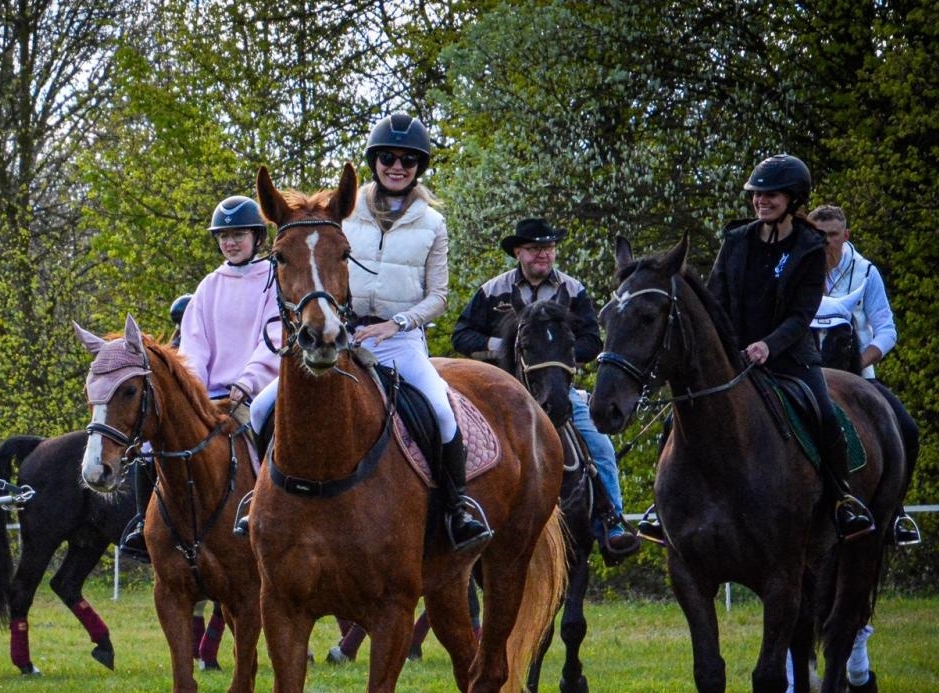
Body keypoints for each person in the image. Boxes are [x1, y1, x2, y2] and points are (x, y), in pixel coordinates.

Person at [249, 111, 490, 550]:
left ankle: (457, 508)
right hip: (341, 334)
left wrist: (394, 324)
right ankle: (257, 500)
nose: (397, 166)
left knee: (440, 410)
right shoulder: (344, 212)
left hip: (399, 339)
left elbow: (437, 297)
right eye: (388, 158)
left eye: (407, 160)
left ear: (418, 168)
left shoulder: (433, 225)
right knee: (261, 410)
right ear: (375, 161)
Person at [637, 154, 873, 544]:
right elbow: (715, 301)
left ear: (793, 199)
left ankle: (841, 498)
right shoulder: (736, 240)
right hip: (735, 358)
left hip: (790, 357)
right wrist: (724, 347)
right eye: (757, 195)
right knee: (675, 418)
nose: (762, 201)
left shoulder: (809, 247)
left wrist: (769, 345)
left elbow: (802, 314)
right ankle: (660, 508)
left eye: (772, 195)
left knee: (824, 415)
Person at [451, 217, 638, 559]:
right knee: (458, 443)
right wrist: (505, 345)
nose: (543, 255)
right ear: (518, 252)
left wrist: (559, 354)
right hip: (499, 393)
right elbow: (461, 335)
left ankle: (612, 522)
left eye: (549, 248)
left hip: (558, 388)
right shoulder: (493, 291)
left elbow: (593, 341)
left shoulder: (573, 290)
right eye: (535, 248)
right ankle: (457, 516)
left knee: (600, 447)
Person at [121, 196, 283, 559]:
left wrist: (247, 381)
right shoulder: (210, 284)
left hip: (256, 391)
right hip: (207, 394)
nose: (230, 242)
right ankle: (142, 524)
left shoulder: (274, 279)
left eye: (238, 234)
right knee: (150, 443)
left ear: (257, 237)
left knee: (269, 433)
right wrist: (190, 391)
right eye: (224, 236)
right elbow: (194, 344)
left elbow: (272, 339)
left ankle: (271, 516)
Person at [809, 203, 922, 681]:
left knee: (907, 428)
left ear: (845, 234)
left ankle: (893, 511)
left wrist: (862, 359)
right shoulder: (797, 268)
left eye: (832, 235)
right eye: (818, 234)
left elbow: (886, 327)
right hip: (807, 375)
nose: (826, 243)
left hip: (858, 376)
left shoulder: (865, 271)